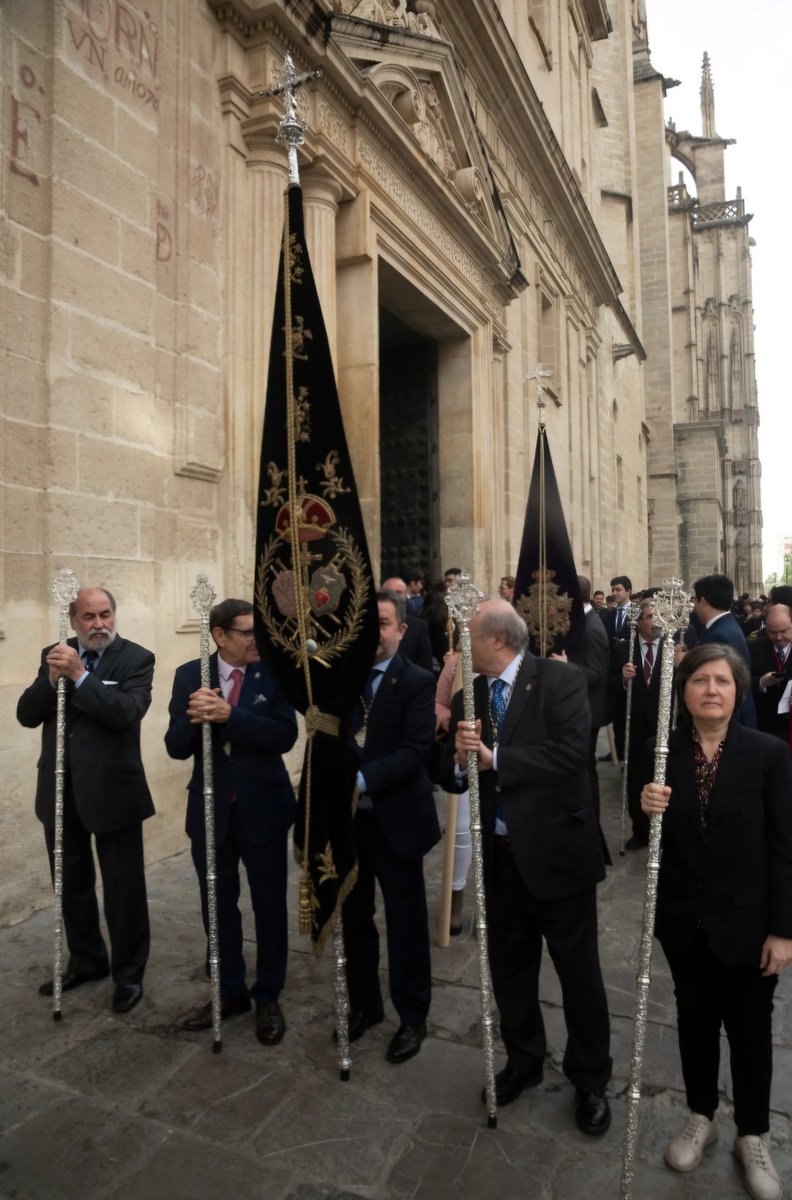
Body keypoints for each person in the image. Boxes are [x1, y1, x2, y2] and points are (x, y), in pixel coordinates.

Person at [446, 599, 612, 1134]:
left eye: (470, 636)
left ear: (498, 640)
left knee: (577, 972)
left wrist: (499, 760)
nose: (463, 646)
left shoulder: (559, 681)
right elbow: (451, 769)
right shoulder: (470, 693)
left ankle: (589, 1079)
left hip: (557, 855)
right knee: (510, 965)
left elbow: (570, 755)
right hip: (500, 858)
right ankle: (524, 1059)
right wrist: (456, 756)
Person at [641, 644, 792, 1200]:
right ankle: (700, 1113)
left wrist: (784, 929)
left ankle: (752, 1132)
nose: (711, 690)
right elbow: (654, 832)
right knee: (695, 1023)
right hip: (685, 921)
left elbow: (785, 845)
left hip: (750, 924)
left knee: (751, 1031)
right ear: (683, 692)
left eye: (722, 681)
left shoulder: (768, 754)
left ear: (739, 690)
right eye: (700, 680)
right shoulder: (662, 752)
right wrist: (644, 802)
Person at [164, 599, 297, 1045]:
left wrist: (230, 716)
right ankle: (228, 990)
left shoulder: (273, 670)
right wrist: (193, 714)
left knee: (269, 904)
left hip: (264, 807)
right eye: (246, 632)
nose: (256, 640)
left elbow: (284, 734)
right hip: (210, 810)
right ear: (220, 636)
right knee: (217, 904)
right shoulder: (189, 675)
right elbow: (175, 747)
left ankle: (268, 996)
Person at [17, 587, 154, 1013]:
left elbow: (125, 712)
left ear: (115, 615)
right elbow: (27, 714)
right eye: (89, 617)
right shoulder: (54, 653)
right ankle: (87, 960)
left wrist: (79, 677)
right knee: (71, 884)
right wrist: (53, 678)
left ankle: (128, 974)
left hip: (114, 791)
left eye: (106, 614)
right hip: (59, 790)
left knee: (123, 890)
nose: (99, 624)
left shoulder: (136, 658)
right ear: (74, 621)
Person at [342, 589, 440, 1063]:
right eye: (367, 624)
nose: (374, 633)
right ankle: (365, 1005)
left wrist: (359, 779)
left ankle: (412, 1017)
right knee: (355, 918)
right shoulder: (342, 679)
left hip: (397, 819)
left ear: (401, 630)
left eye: (382, 623)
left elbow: (415, 750)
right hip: (349, 825)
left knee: (405, 923)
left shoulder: (417, 680)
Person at [616, 600, 662, 849]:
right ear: (639, 621)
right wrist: (623, 679)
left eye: (657, 615)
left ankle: (664, 831)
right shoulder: (625, 650)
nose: (654, 621)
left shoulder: (672, 647)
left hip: (662, 724)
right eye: (649, 616)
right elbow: (611, 684)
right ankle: (640, 831)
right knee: (636, 778)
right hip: (634, 725)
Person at [693, 573, 756, 728]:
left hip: (729, 720)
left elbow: (713, 675)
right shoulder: (725, 626)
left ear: (703, 601)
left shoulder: (720, 634)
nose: (693, 606)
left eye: (694, 600)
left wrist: (684, 661)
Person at [600, 575, 634, 760]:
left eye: (618, 589)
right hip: (613, 671)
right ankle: (618, 749)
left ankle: (629, 750)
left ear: (628, 591)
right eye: (612, 590)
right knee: (616, 712)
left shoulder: (637, 613)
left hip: (630, 668)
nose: (614, 593)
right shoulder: (608, 615)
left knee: (629, 712)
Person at [749, 603, 792, 741]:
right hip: (764, 727)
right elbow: (741, 680)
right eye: (772, 632)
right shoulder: (753, 648)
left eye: (784, 631)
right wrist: (761, 682)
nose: (778, 637)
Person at [382, 576, 434, 673]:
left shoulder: (418, 626)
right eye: (390, 592)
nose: (394, 596)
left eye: (399, 592)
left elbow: (425, 664)